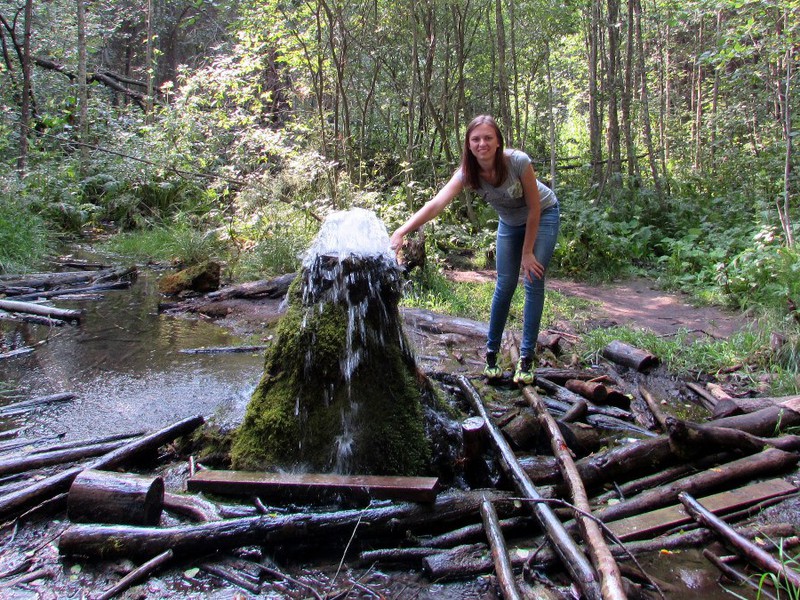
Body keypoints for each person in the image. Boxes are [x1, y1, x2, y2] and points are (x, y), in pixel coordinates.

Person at [389, 115, 560, 385]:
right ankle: (491, 354)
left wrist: (528, 254)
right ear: (468, 144)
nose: (482, 143)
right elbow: (436, 205)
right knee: (504, 285)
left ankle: (526, 359)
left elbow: (536, 208)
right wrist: (402, 231)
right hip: (510, 223)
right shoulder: (467, 173)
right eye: (476, 139)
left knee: (532, 279)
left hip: (544, 215)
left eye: (488, 138)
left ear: (498, 141)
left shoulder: (518, 162)